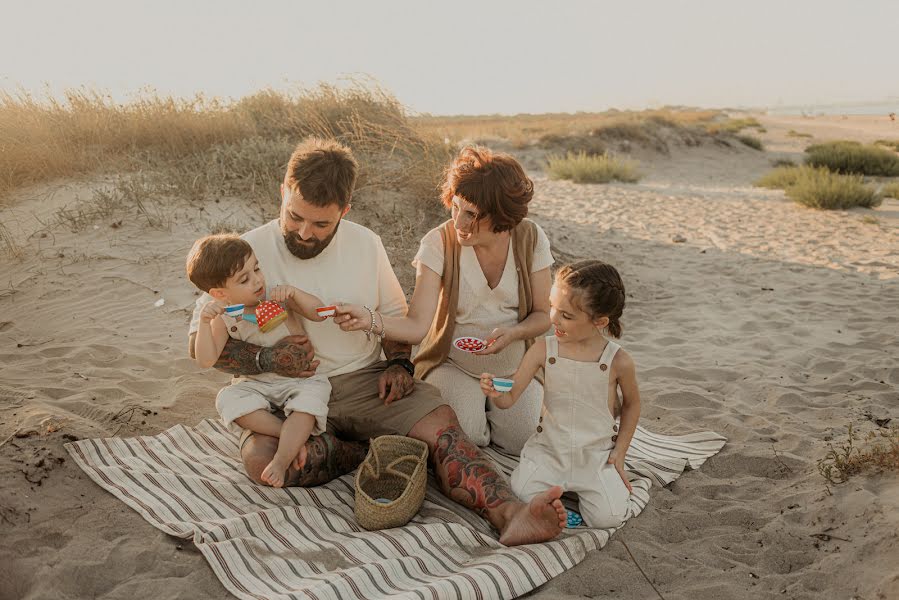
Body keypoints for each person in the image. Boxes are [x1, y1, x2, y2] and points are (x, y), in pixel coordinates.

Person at [187, 137, 567, 545]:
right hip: (278, 394)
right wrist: (269, 360)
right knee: (263, 461)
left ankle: (511, 514)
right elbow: (208, 347)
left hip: (363, 379)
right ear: (284, 191)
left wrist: (399, 365)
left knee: (443, 427)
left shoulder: (365, 243)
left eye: (321, 224)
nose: (305, 232)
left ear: (344, 211)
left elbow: (395, 317)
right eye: (295, 216)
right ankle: (363, 447)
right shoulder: (244, 252)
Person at [333, 146, 553, 453]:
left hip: (514, 366)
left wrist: (514, 333)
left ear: (502, 215)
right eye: (456, 207)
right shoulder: (439, 242)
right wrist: (368, 319)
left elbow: (544, 314)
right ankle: (477, 410)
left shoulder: (530, 238)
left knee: (520, 441)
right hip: (454, 365)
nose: (459, 223)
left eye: (472, 214)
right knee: (467, 438)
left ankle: (496, 409)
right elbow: (416, 325)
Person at [479, 260, 642, 528]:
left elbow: (632, 406)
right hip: (549, 452)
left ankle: (576, 495)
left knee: (608, 518)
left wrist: (620, 453)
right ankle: (558, 498)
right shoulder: (544, 350)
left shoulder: (618, 361)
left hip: (594, 455)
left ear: (599, 321)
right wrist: (495, 391)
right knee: (521, 496)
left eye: (566, 315)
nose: (553, 318)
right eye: (552, 306)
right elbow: (509, 399)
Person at [186, 233, 329, 487]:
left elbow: (320, 314)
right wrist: (205, 323)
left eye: (257, 269)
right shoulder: (225, 316)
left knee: (308, 403)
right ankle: (288, 435)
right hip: (256, 383)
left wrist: (295, 294)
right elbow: (206, 360)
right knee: (228, 399)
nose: (257, 280)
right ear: (220, 293)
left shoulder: (276, 296)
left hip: (299, 381)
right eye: (244, 279)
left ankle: (281, 460)